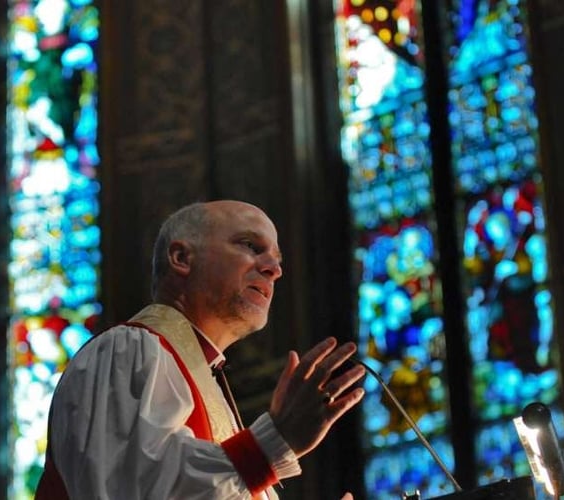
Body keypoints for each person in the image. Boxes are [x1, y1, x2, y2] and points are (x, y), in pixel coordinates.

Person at [37, 200, 366, 499]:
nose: (274, 269)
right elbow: (134, 489)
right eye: (251, 246)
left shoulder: (210, 386)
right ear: (181, 258)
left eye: (277, 260)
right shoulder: (124, 352)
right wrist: (271, 444)